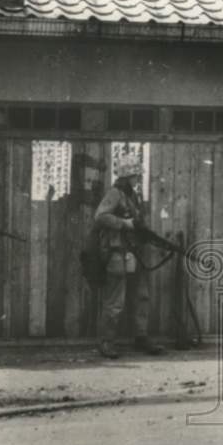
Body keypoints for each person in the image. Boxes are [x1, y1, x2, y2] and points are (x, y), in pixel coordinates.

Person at [94, 154, 163, 359]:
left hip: (134, 253)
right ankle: (106, 342)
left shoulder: (132, 196)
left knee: (141, 297)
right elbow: (101, 216)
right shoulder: (115, 193)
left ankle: (141, 337)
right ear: (126, 176)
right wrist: (125, 224)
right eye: (134, 175)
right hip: (117, 253)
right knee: (116, 301)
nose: (137, 178)